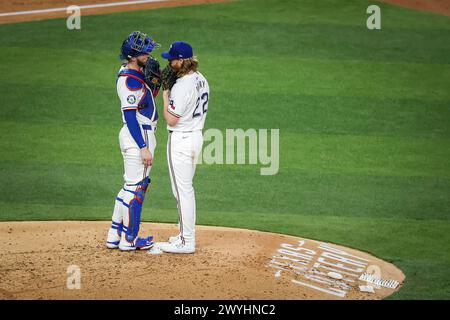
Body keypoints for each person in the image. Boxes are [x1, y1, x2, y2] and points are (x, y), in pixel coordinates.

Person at [106, 31, 160, 251]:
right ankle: (130, 239)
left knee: (128, 187)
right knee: (138, 188)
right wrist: (143, 147)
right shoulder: (130, 81)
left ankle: (114, 235)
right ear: (133, 55)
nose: (149, 55)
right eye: (145, 52)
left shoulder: (127, 72)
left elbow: (144, 100)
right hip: (139, 134)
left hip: (132, 135)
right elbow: (130, 116)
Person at [159, 41, 210, 254]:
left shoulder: (182, 87)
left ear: (182, 60)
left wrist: (165, 94)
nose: (169, 63)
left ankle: (186, 241)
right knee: (185, 190)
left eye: (172, 59)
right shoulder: (201, 79)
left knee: (182, 192)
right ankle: (183, 234)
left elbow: (170, 119)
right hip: (196, 137)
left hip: (180, 140)